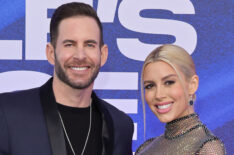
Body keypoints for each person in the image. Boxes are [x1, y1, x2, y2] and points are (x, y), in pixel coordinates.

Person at [0, 2, 134, 155]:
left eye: (89, 44)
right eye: (69, 44)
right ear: (51, 53)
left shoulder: (120, 125)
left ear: (102, 55)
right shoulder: (7, 113)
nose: (80, 55)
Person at [135, 44, 226, 154]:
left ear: (192, 85)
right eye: (150, 86)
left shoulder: (207, 147)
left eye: (169, 82)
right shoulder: (145, 147)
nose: (158, 95)